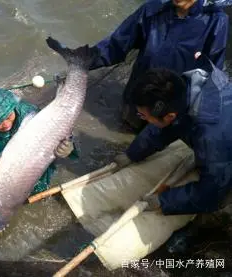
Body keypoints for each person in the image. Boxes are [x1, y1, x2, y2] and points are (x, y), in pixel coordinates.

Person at [112, 56, 232, 252]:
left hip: (224, 145)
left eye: (143, 115)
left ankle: (199, 232)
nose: (141, 118)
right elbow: (165, 127)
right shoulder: (186, 88)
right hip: (223, 131)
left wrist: (165, 201)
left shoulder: (210, 136)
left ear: (169, 115)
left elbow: (211, 192)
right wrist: (132, 154)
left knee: (219, 198)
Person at [88, 0, 229, 131]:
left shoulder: (216, 21)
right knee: (119, 131)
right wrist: (82, 63)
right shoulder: (153, 8)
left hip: (172, 112)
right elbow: (115, 46)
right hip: (137, 101)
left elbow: (212, 73)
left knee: (154, 144)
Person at [0, 88, 78, 221]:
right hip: (7, 188)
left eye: (8, 116)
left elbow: (59, 131)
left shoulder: (28, 115)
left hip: (39, 174)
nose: (6, 125)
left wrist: (70, 149)